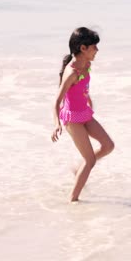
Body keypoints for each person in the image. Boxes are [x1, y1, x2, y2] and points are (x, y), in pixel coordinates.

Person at [52, 27, 114, 202]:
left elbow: (82, 86)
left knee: (108, 146)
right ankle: (73, 200)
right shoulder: (71, 73)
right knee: (90, 161)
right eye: (94, 47)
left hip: (85, 113)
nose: (97, 51)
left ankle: (79, 168)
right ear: (83, 48)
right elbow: (57, 101)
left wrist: (87, 97)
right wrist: (57, 124)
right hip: (72, 119)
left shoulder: (86, 64)